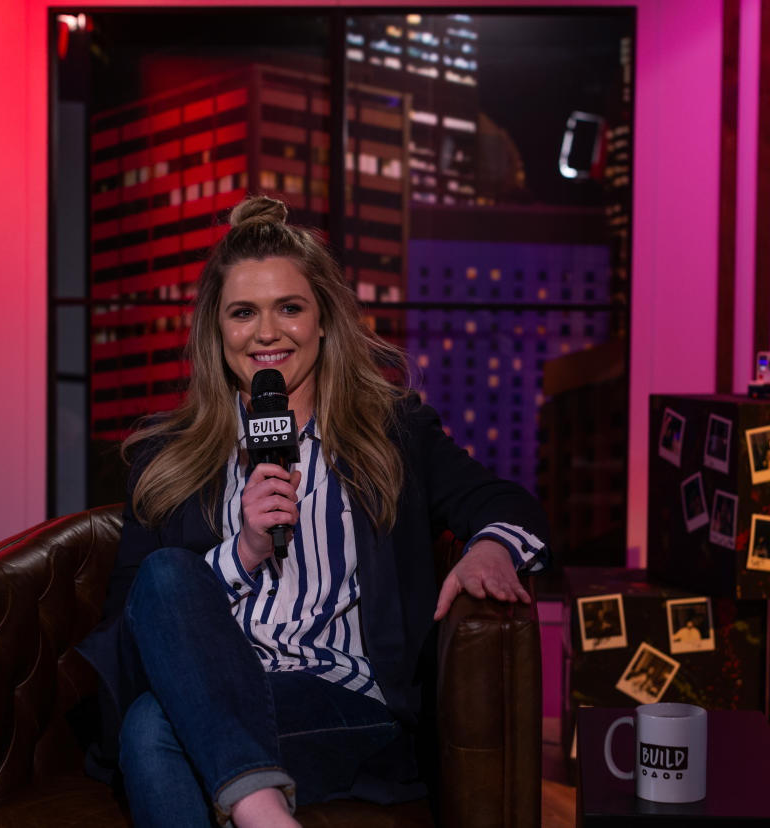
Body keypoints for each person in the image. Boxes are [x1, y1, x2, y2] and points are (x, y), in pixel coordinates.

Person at [76, 195, 550, 828]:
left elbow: (507, 503)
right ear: (218, 333)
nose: (267, 332)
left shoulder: (395, 432)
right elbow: (130, 623)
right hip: (209, 687)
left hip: (343, 702)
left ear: (323, 321)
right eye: (244, 313)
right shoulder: (164, 456)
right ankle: (265, 812)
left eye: (289, 308)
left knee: (153, 730)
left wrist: (490, 547)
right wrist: (243, 551)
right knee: (164, 588)